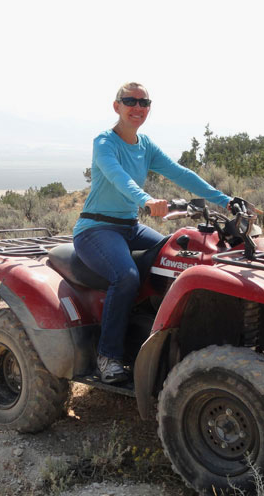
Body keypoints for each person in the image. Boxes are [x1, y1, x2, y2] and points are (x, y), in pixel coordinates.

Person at [73, 82, 233, 384]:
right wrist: (145, 200)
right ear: (116, 105)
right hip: (96, 229)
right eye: (130, 101)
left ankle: (148, 328)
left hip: (129, 227)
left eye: (143, 103)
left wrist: (225, 200)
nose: (137, 107)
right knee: (126, 276)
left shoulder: (145, 145)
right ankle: (108, 356)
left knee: (176, 257)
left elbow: (180, 173)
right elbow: (117, 177)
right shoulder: (105, 142)